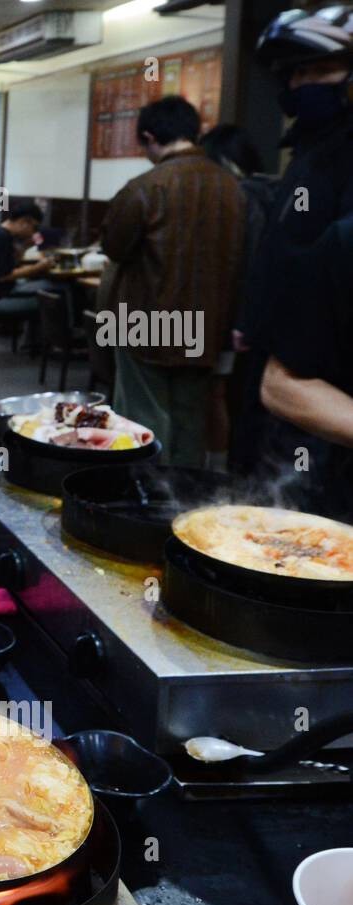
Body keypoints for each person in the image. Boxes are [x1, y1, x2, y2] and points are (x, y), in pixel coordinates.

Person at [240, 5, 353, 519]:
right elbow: (287, 253)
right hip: (285, 380)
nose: (303, 85)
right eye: (296, 74)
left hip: (330, 402)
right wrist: (251, 319)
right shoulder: (309, 154)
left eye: (319, 70)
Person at [99, 96, 245, 467]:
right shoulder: (233, 188)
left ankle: (140, 502)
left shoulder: (147, 187)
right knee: (190, 421)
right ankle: (184, 507)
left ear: (149, 137)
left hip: (144, 322)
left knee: (142, 418)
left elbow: (114, 246)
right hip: (206, 324)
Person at [199, 124, 274, 472]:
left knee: (218, 393)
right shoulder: (271, 189)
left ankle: (218, 469)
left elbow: (244, 264)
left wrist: (239, 321)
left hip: (237, 318)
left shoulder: (243, 196)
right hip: (261, 317)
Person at [0, 200, 53, 340]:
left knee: (44, 289)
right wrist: (39, 267)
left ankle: (30, 343)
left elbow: (4, 265)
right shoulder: (3, 238)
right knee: (51, 294)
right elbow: (5, 276)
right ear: (25, 221)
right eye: (34, 227)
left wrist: (25, 248)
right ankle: (46, 344)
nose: (34, 232)